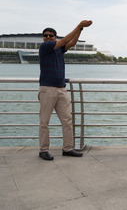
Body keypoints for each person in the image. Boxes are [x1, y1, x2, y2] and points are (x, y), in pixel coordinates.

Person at [38, 20, 93, 161]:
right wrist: (79, 25)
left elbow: (72, 42)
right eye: (46, 35)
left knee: (67, 120)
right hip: (47, 89)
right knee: (44, 121)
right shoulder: (45, 47)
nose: (48, 37)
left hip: (61, 89)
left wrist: (80, 29)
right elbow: (66, 40)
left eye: (51, 35)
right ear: (43, 37)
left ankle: (68, 148)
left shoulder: (58, 49)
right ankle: (43, 150)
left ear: (55, 37)